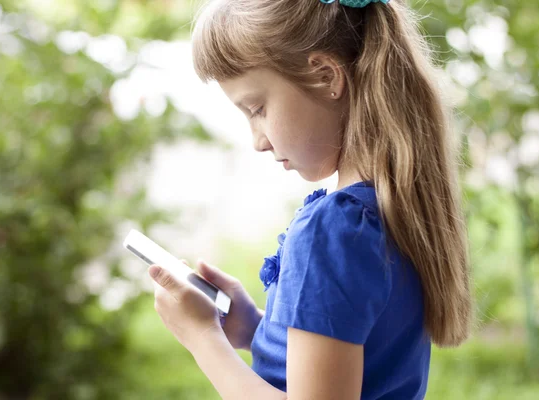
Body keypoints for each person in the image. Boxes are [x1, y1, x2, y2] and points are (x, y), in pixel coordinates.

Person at [147, 0, 473, 399]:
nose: (258, 141)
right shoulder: (384, 212)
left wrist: (202, 338)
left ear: (325, 76)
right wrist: (255, 329)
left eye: (258, 109)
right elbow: (354, 352)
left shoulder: (333, 230)